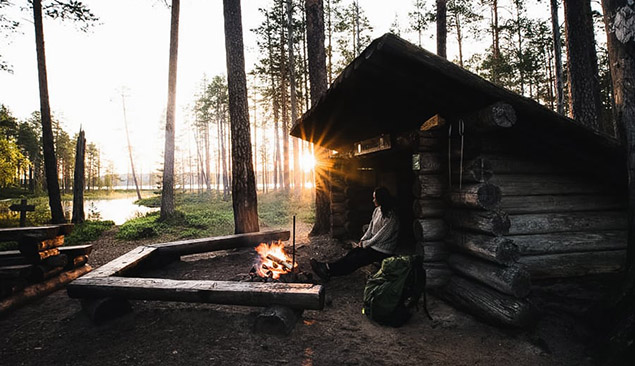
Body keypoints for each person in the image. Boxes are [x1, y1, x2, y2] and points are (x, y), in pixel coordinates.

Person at [310, 186, 399, 281]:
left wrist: (366, 244)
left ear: (381, 199)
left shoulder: (391, 217)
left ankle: (328, 271)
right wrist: (363, 239)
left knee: (356, 259)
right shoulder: (377, 210)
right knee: (352, 254)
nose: (373, 200)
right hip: (374, 246)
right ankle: (327, 268)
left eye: (374, 198)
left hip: (383, 250)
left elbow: (381, 236)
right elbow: (371, 228)